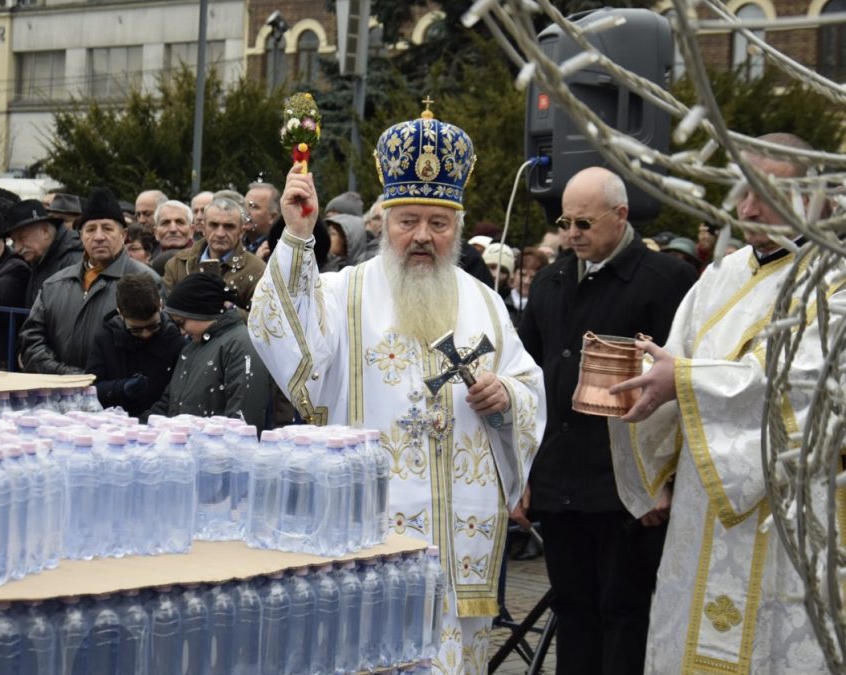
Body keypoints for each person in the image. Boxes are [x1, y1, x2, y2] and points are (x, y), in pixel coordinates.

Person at [250, 107, 546, 673]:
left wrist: (506, 396)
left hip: (462, 536)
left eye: (439, 224)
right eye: (409, 220)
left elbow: (527, 381)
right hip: (374, 527)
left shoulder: (484, 301)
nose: (423, 237)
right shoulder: (344, 292)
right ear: (384, 219)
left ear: (458, 225)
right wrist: (296, 234)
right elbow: (286, 336)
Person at [606, 133, 835, 673]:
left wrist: (681, 380)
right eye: (744, 191)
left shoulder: (834, 280)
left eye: (770, 193)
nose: (749, 208)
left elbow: (800, 386)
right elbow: (676, 357)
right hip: (702, 504)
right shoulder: (721, 275)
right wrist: (634, 381)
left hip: (787, 513)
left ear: (818, 198)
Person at [516, 166, 696, 674]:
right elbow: (528, 377)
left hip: (627, 486)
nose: (571, 234)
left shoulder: (668, 281)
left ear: (621, 216)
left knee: (623, 612)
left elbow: (681, 390)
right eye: (564, 222)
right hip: (561, 477)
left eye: (584, 224)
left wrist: (662, 482)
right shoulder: (551, 281)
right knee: (572, 610)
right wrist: (525, 473)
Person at [19, 187, 161, 375]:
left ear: (123, 235)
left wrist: (104, 382)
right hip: (60, 393)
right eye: (91, 229)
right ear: (81, 235)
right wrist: (64, 374)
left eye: (108, 228)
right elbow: (31, 341)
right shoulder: (54, 284)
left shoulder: (147, 281)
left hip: (119, 398)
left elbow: (157, 346)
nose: (99, 237)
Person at [150, 272, 270, 428]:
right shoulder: (191, 348)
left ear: (201, 312)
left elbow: (244, 416)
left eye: (181, 323)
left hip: (217, 450)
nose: (181, 332)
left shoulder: (241, 345)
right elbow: (169, 403)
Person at [86, 273, 188, 416]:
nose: (146, 334)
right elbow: (91, 389)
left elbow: (180, 394)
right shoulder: (105, 339)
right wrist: (121, 388)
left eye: (153, 326)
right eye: (136, 329)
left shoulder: (175, 342)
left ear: (160, 305)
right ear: (120, 314)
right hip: (113, 423)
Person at [163, 196, 266, 311]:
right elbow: (165, 313)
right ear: (203, 228)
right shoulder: (178, 264)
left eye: (229, 226)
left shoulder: (257, 270)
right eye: (214, 225)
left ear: (241, 232)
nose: (220, 233)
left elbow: (260, 322)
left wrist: (230, 309)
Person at [5, 199, 84, 307]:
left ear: (45, 232)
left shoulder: (73, 260)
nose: (17, 248)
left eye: (22, 238)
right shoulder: (39, 258)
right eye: (14, 241)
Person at [148, 200, 195, 275]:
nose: (173, 229)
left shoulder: (205, 260)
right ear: (156, 232)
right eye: (165, 223)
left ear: (191, 231)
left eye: (180, 222)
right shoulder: (148, 265)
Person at [244, 182, 281, 254]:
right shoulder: (232, 244)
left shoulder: (279, 251)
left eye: (254, 207)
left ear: (272, 217)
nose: (245, 211)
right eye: (244, 205)